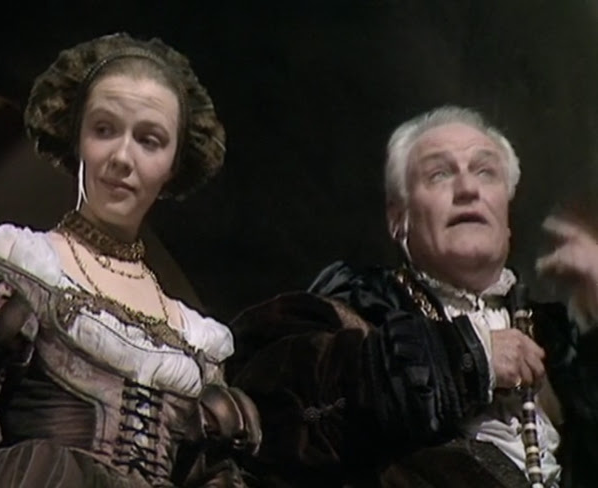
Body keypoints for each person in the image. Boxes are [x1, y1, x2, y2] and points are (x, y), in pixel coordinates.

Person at [0, 33, 260, 487]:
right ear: (76, 138)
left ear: (174, 163)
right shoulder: (24, 264)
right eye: (104, 129)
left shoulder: (199, 341)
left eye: (149, 140)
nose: (122, 157)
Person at [227, 106, 598, 487]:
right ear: (398, 218)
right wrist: (468, 358)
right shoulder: (357, 304)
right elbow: (271, 410)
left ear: (507, 215)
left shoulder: (557, 337)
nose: (468, 189)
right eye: (439, 174)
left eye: (485, 172)